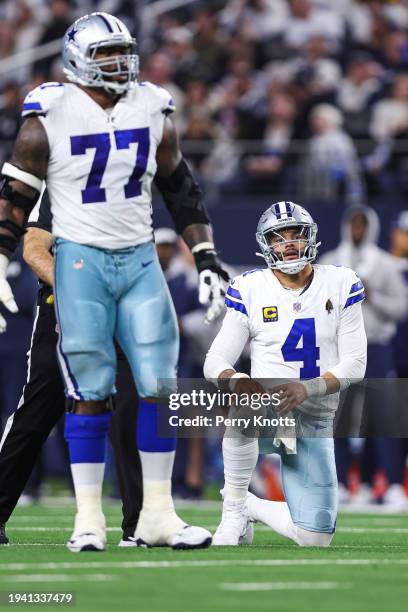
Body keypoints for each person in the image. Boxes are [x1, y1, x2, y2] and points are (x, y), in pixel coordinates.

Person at [0, 12, 229, 552]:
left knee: (139, 401)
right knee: (43, 407)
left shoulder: (140, 125)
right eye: (105, 54)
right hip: (71, 296)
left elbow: (177, 187)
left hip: (125, 284)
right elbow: (33, 240)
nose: (117, 65)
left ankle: (141, 521)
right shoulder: (58, 146)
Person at [204, 201, 367, 547]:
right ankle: (233, 510)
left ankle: (250, 506)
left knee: (315, 539)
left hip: (316, 418)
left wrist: (307, 388)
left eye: (296, 235)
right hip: (269, 410)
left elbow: (355, 363)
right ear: (267, 244)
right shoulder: (250, 287)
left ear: (311, 238)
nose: (289, 243)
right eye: (279, 237)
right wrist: (238, 380)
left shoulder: (340, 282)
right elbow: (215, 359)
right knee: (244, 403)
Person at [0, 191, 143, 546]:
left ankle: (139, 525)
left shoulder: (134, 192)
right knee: (35, 414)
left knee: (130, 413)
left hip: (118, 314)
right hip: (64, 309)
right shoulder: (61, 188)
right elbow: (34, 249)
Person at [320, 207, 406, 506]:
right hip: (340, 349)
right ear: (346, 227)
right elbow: (314, 305)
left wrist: (371, 293)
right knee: (337, 416)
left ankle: (391, 484)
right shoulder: (330, 263)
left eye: (362, 225)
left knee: (385, 418)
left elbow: (401, 307)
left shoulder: (384, 264)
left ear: (370, 227)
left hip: (377, 347)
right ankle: (341, 482)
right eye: (353, 225)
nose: (357, 230)